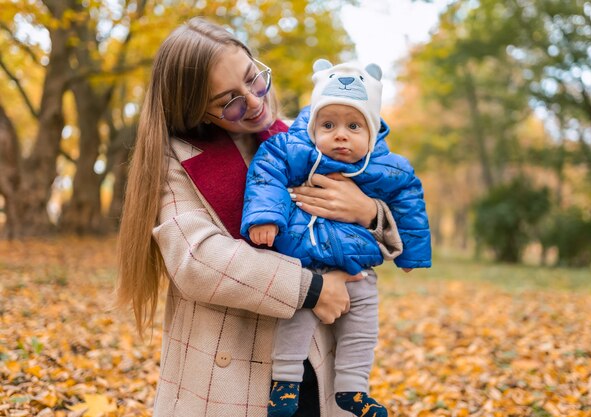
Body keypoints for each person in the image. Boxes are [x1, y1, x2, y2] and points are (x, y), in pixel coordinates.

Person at [115, 17, 404, 417]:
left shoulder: (302, 142)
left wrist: (368, 212)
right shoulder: (175, 160)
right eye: (228, 101)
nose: (254, 101)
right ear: (195, 109)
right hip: (225, 370)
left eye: (254, 79)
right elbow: (198, 259)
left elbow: (381, 210)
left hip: (313, 363)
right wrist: (312, 287)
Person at [240, 59, 431, 417]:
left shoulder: (389, 167)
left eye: (354, 125)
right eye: (328, 124)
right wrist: (266, 217)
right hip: (306, 261)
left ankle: (353, 389)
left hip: (358, 267)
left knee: (362, 327)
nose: (340, 134)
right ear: (313, 126)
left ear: (372, 132)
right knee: (296, 318)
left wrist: (412, 255)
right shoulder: (292, 148)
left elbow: (410, 204)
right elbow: (266, 174)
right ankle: (285, 383)